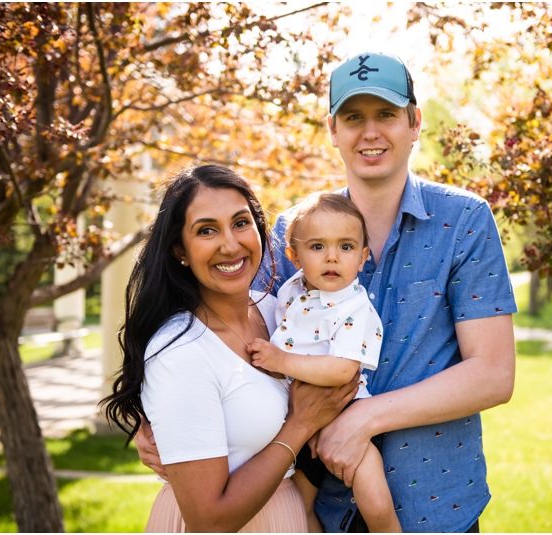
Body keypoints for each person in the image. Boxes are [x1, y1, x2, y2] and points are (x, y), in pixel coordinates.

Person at [136, 51, 517, 532]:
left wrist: (363, 418)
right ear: (333, 131)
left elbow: (493, 374)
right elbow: (234, 337)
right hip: (315, 504)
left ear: (414, 122)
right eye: (353, 117)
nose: (370, 132)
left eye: (386, 115)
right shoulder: (289, 230)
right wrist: (160, 421)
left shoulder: (462, 221)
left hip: (435, 501)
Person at [102, 165, 358, 532]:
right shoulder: (180, 350)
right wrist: (299, 425)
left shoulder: (278, 312)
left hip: (288, 514)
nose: (230, 244)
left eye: (241, 223)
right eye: (207, 230)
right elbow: (209, 520)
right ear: (180, 250)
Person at [246, 193, 401, 533]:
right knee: (297, 510)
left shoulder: (354, 308)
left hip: (344, 416)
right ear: (294, 255)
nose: (332, 257)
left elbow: (343, 370)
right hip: (296, 421)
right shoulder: (290, 290)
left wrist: (280, 360)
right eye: (317, 247)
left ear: (362, 258)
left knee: (375, 503)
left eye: (345, 247)